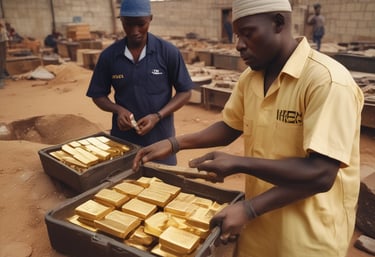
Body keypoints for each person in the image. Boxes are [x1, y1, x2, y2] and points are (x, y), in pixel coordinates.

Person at [132, 0, 364, 256]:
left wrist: (240, 169)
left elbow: (321, 174)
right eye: (236, 35)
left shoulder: (326, 81)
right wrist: (174, 143)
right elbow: (230, 126)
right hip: (259, 225)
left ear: (277, 23)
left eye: (248, 33)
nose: (239, 44)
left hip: (306, 237)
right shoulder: (251, 78)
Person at [86, 0, 193, 165]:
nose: (135, 31)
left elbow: (185, 92)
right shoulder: (109, 56)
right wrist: (118, 110)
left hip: (161, 142)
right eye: (128, 24)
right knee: (125, 184)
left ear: (150, 19)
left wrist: (158, 116)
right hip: (123, 142)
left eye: (141, 24)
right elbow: (98, 95)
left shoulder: (168, 52)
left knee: (164, 186)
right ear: (121, 21)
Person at [0, 21, 9, 88]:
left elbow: (6, 42)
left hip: (2, 45)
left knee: (2, 61)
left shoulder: (2, 30)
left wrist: (6, 46)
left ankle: (1, 77)